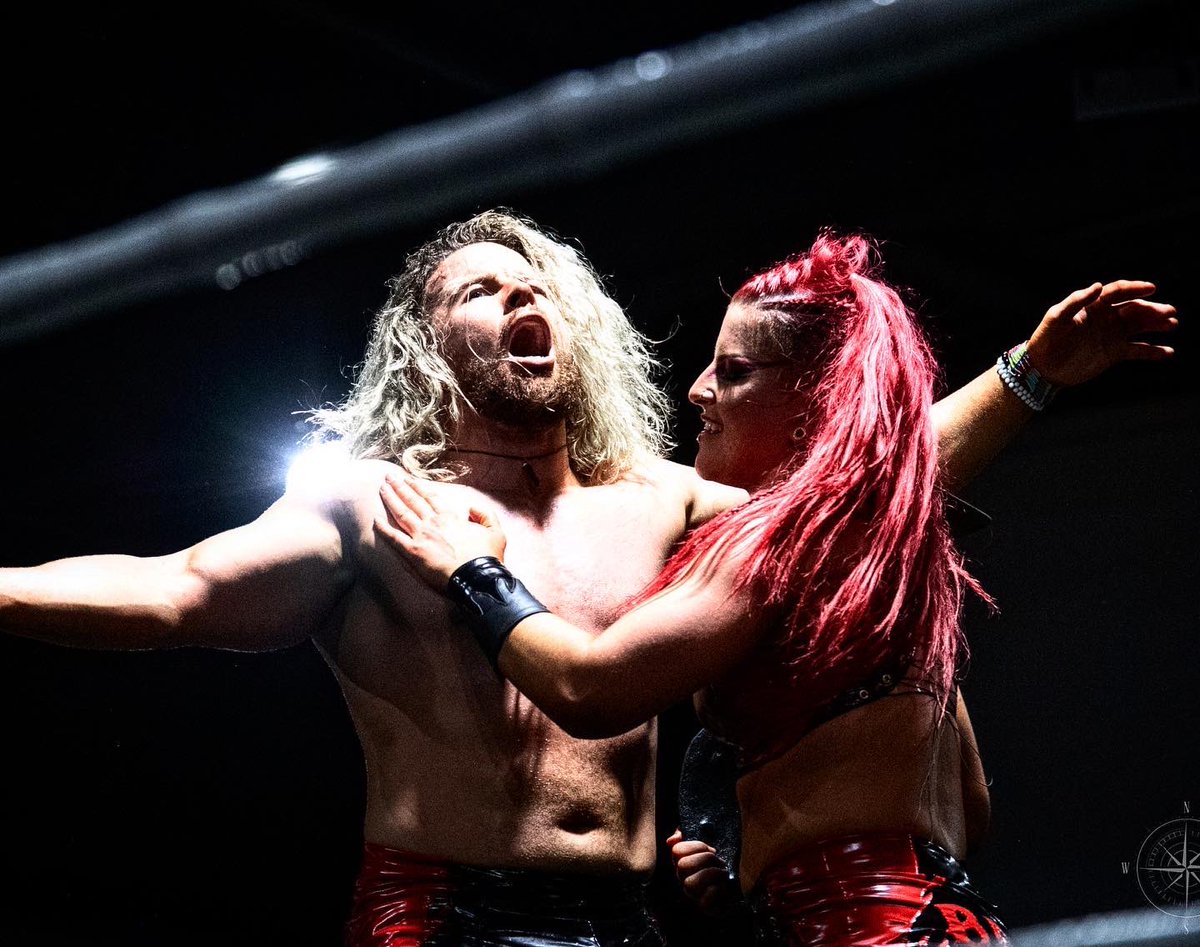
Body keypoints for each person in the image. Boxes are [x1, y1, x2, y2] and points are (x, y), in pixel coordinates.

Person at [373, 231, 1177, 945]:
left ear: (812, 404)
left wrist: (472, 572)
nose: (696, 391)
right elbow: (969, 807)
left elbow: (592, 686)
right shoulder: (873, 556)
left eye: (733, 371)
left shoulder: (781, 533)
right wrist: (755, 868)